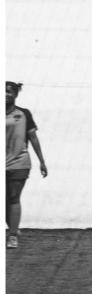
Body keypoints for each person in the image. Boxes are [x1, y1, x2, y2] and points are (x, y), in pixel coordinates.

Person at [6, 81, 48, 249]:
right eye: (3, 91)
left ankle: (13, 235)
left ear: (16, 94)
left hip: (19, 163)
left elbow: (33, 138)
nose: (6, 94)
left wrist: (42, 161)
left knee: (14, 198)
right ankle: (13, 226)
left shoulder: (23, 114)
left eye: (10, 92)